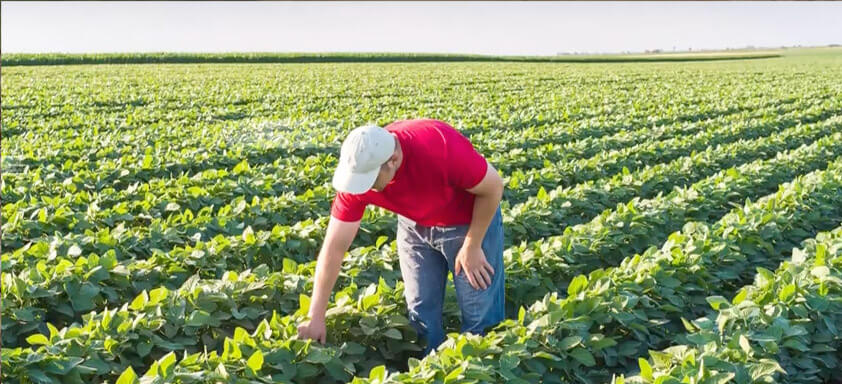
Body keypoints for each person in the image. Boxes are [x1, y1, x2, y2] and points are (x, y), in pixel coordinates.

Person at [296, 118, 505, 355]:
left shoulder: (439, 147)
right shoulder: (360, 172)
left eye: (370, 181)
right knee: (420, 313)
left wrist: (473, 244)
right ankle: (430, 370)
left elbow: (494, 187)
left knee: (480, 317)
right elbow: (334, 247)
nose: (362, 189)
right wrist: (316, 315)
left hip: (467, 220)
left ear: (393, 160)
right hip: (413, 225)